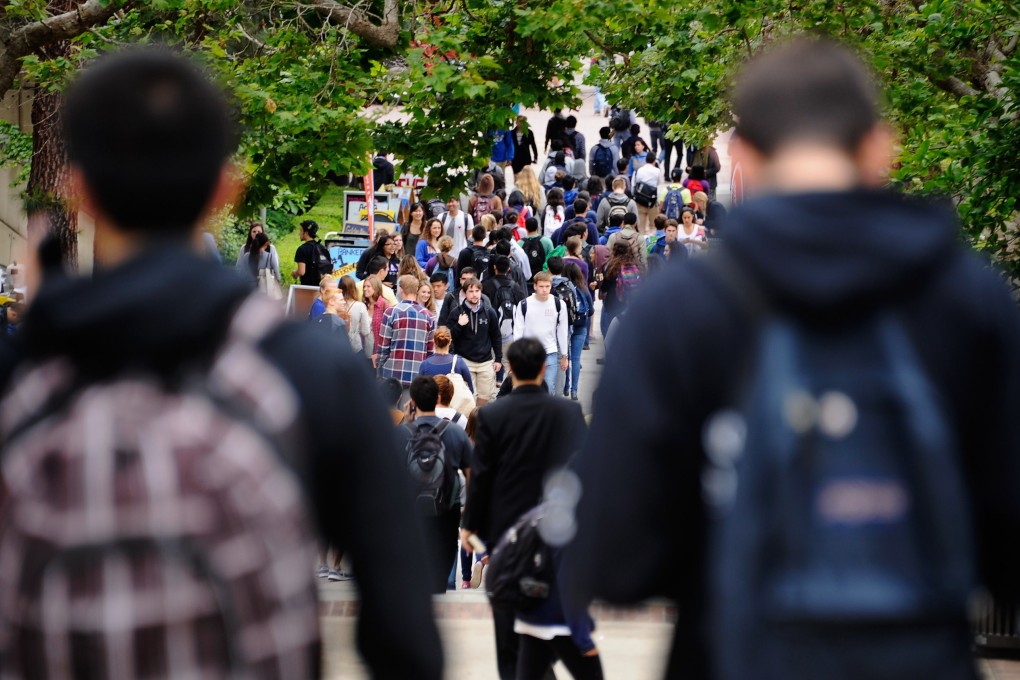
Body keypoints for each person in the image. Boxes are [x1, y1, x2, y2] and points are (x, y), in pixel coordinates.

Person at [567, 36, 1020, 680]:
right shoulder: (970, 301)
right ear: (879, 148)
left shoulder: (681, 310)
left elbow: (614, 561)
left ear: (744, 156)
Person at [0, 47, 442, 679]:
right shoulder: (309, 371)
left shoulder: (22, 376)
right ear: (225, 189)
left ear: (79, 190)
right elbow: (405, 637)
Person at [461, 337, 587, 680]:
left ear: (511, 370)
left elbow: (481, 475)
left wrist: (469, 525)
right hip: (557, 533)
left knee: (508, 627)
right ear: (544, 368)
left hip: (508, 533)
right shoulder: (569, 412)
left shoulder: (492, 415)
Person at [396, 376, 474, 595]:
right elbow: (472, 475)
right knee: (440, 578)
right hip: (446, 509)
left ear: (412, 401)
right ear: (439, 398)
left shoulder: (402, 433)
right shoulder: (456, 432)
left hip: (411, 512)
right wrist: (468, 512)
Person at [448, 276, 503, 405]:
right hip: (465, 361)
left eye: (477, 291)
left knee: (485, 397)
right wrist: (459, 325)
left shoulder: (490, 312)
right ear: (465, 293)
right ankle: (469, 424)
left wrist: (498, 359)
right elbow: (448, 338)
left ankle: (478, 423)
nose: (474, 294)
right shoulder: (456, 313)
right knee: (468, 399)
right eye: (471, 291)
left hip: (486, 362)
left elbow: (496, 336)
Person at [512, 271, 569, 394]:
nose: (544, 290)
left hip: (550, 352)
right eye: (541, 286)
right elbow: (518, 332)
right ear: (535, 286)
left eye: (547, 286)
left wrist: (564, 355)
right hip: (528, 354)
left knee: (549, 388)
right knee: (529, 390)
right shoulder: (524, 304)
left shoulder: (559, 304)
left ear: (551, 286)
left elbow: (562, 331)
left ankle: (546, 412)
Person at [378, 275, 436, 390]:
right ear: (417, 290)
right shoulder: (428, 316)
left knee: (390, 407)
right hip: (417, 376)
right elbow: (430, 350)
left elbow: (383, 347)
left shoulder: (391, 312)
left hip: (392, 374)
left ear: (401, 289)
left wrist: (380, 368)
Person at [561, 261, 592, 401]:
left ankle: (566, 386)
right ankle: (574, 390)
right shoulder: (583, 289)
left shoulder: (562, 289)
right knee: (576, 359)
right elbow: (590, 310)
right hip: (581, 326)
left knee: (565, 357)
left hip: (566, 325)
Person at [418, 325, 475, 393]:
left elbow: (419, 392)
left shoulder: (425, 364)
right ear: (450, 341)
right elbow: (470, 389)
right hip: (454, 403)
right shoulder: (459, 362)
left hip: (431, 402)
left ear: (434, 341)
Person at [338, 274, 373, 360]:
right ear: (354, 288)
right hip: (355, 348)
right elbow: (366, 331)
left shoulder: (335, 304)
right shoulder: (360, 306)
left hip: (338, 347)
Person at [364, 274, 393, 368]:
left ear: (376, 287)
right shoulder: (363, 306)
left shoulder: (385, 305)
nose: (365, 289)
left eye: (368, 286)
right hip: (365, 351)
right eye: (364, 286)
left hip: (379, 352)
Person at [291, 219, 330, 286]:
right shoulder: (322, 247)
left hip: (307, 287)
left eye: (301, 230)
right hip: (321, 287)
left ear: (306, 233)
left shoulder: (302, 249)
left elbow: (301, 272)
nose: (299, 233)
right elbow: (330, 268)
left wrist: (294, 273)